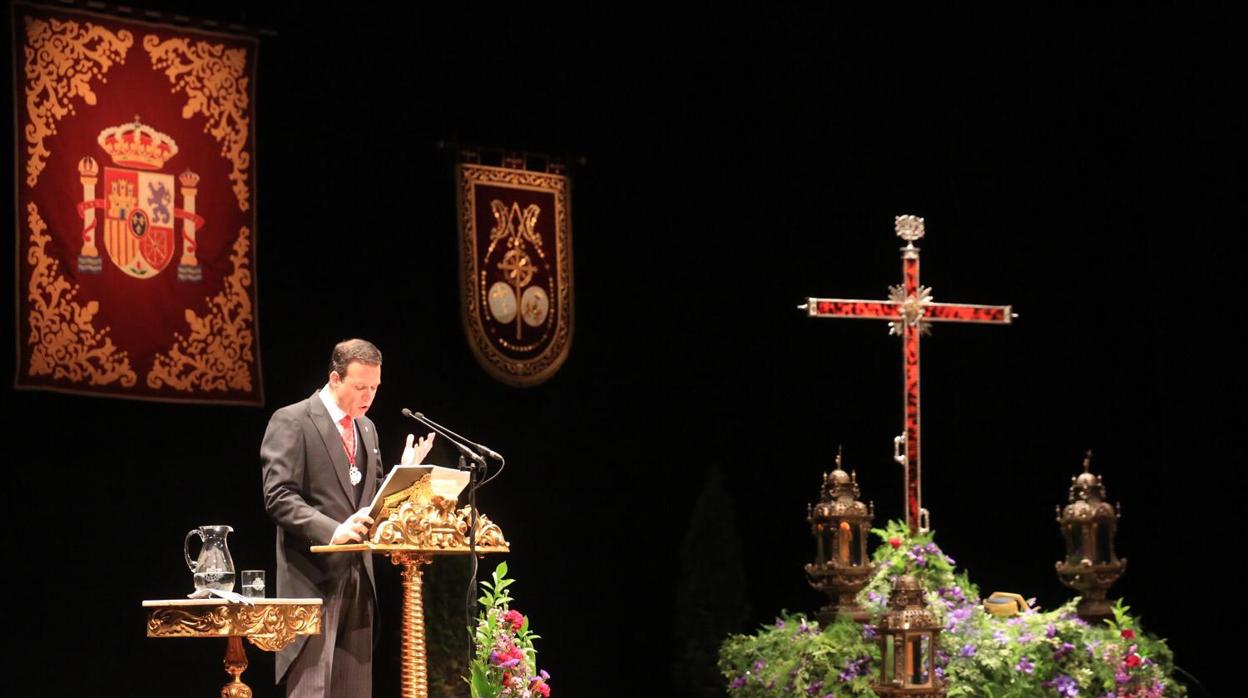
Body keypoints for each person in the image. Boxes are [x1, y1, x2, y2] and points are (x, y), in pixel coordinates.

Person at [261, 338, 434, 697]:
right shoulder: (293, 420)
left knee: (353, 689)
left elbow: (371, 504)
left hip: (359, 578)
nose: (368, 396)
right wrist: (332, 530)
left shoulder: (366, 428)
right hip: (312, 579)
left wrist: (405, 476)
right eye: (360, 387)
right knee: (313, 687)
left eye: (374, 387)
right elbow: (278, 497)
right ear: (335, 379)